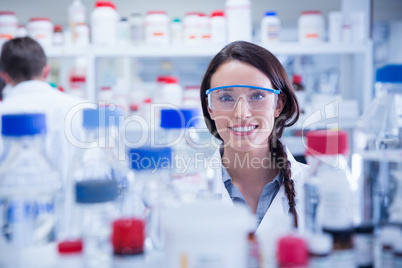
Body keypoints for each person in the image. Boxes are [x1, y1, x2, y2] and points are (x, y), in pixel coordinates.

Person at [200, 41, 308, 235]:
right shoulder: (188, 193)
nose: (242, 113)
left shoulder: (316, 189)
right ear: (210, 107)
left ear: (278, 105)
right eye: (225, 98)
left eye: (257, 96)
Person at [0, 37, 88, 185]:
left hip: (14, 205)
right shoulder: (82, 109)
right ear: (46, 71)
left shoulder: (3, 112)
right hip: (78, 206)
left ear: (5, 77)